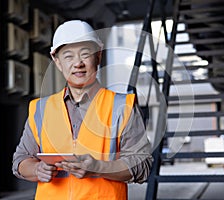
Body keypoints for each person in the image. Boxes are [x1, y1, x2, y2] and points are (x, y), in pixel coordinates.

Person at [12, 20, 153, 200]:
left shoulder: (121, 106)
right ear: (57, 61)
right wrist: (36, 169)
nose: (78, 63)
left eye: (85, 54)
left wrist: (97, 168)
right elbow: (21, 160)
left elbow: (142, 165)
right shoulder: (40, 109)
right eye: (68, 56)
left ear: (98, 56)